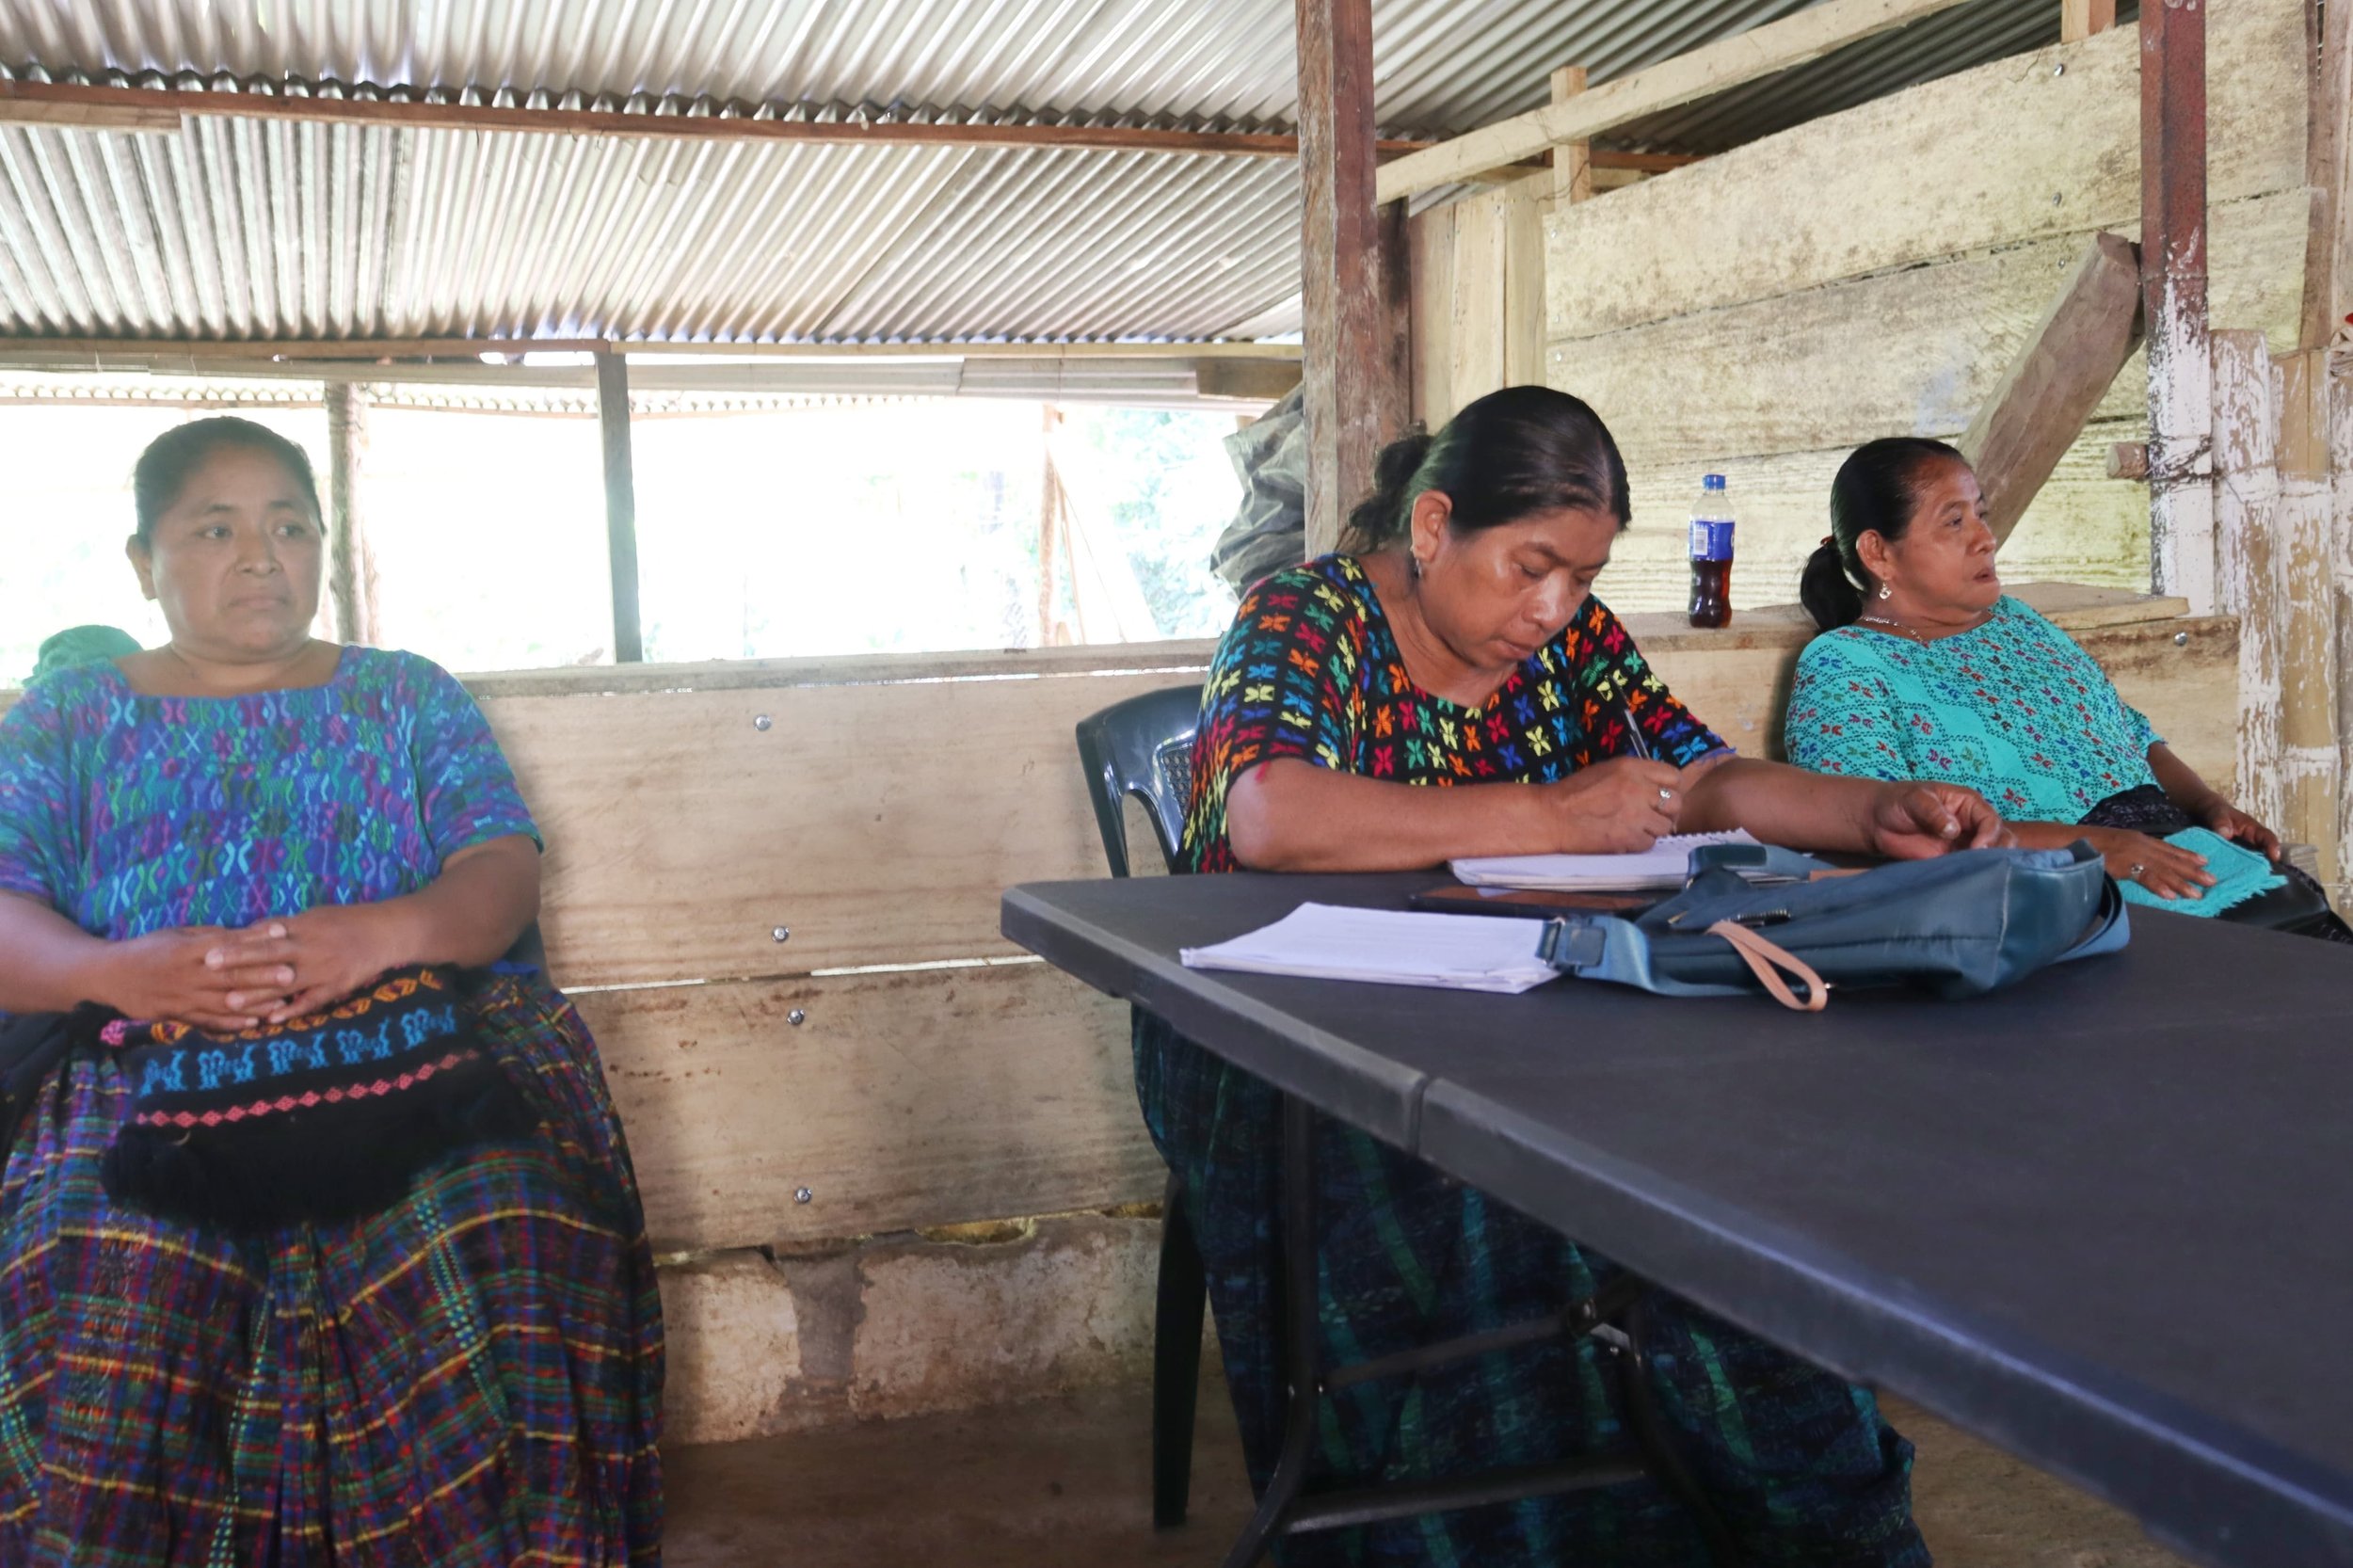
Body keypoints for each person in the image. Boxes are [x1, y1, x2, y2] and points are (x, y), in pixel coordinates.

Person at [1145, 385, 2009, 1566]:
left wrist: (1873, 811)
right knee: (1502, 1190)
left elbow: (1701, 784)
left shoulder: (1573, 647)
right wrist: (1544, 811)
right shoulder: (1308, 613)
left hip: (1513, 1005)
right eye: (1530, 566)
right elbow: (1269, 813)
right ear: (1435, 524)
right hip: (1281, 1035)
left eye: (1582, 579)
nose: (1551, 610)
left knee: (1715, 1177)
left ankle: (1722, 1509)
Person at [0, 418, 663, 1564]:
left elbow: (499, 873)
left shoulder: (405, 696)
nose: (261, 555)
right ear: (142, 562)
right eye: (217, 527)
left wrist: (381, 938)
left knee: (500, 1219)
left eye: (290, 526)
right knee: (123, 1257)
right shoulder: (67, 717)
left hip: (414, 1047)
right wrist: (117, 968)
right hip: (147, 1060)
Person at [1788, 437, 2341, 934]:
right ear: (1877, 552)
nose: (1985, 538)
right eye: (1953, 522)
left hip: (2171, 849)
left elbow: (2128, 731)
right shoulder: (1844, 666)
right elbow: (1872, 829)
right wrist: (2100, 848)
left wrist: (2210, 805)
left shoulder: (2017, 621)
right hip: (2049, 894)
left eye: (1980, 515)